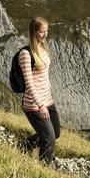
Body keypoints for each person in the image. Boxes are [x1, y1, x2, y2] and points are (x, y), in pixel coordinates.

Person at [19, 17, 60, 164]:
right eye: (42, 31)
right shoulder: (25, 54)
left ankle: (24, 145)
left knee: (56, 133)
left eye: (46, 31)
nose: (45, 35)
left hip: (47, 99)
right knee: (48, 138)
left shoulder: (42, 48)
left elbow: (44, 76)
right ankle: (43, 168)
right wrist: (40, 105)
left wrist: (48, 97)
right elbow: (29, 84)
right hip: (34, 103)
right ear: (33, 31)